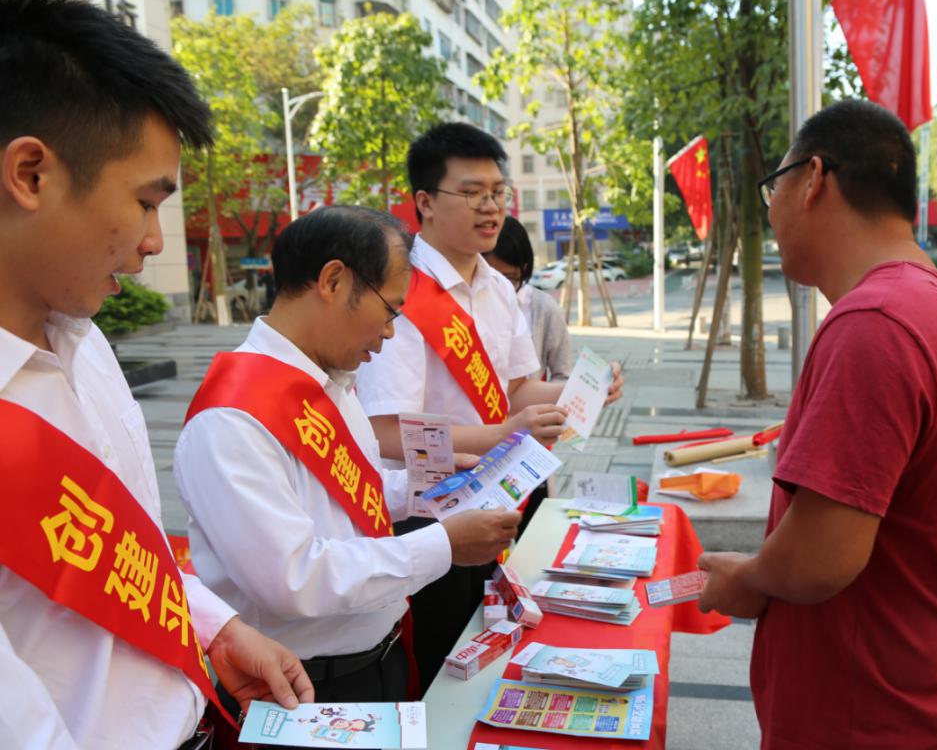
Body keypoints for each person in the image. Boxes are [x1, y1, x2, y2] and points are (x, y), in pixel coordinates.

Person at [0, 0, 314, 748]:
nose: (151, 241)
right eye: (145, 202)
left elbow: (125, 549)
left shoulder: (88, 345)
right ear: (31, 174)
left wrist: (214, 626)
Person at [697, 100, 937, 749]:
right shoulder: (932, 301)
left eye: (774, 185)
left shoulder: (874, 325)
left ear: (814, 180)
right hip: (907, 697)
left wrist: (742, 581)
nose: (770, 209)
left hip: (869, 718)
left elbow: (819, 560)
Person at [174, 206, 519, 708]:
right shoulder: (232, 418)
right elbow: (296, 579)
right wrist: (443, 546)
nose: (391, 332)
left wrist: (430, 486)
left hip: (380, 659)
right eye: (390, 309)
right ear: (333, 281)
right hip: (303, 689)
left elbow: (356, 494)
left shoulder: (330, 383)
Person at [356, 123, 622, 692]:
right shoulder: (401, 288)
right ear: (424, 202)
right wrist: (506, 430)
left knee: (489, 660)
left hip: (498, 500)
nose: (491, 206)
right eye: (473, 192)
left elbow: (521, 390)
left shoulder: (501, 290)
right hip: (424, 518)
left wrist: (582, 387)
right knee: (436, 665)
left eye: (499, 192)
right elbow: (386, 433)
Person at [483, 215, 573, 382]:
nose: (500, 288)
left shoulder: (543, 308)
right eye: (491, 277)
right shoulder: (466, 302)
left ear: (524, 268)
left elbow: (563, 373)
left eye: (509, 278)